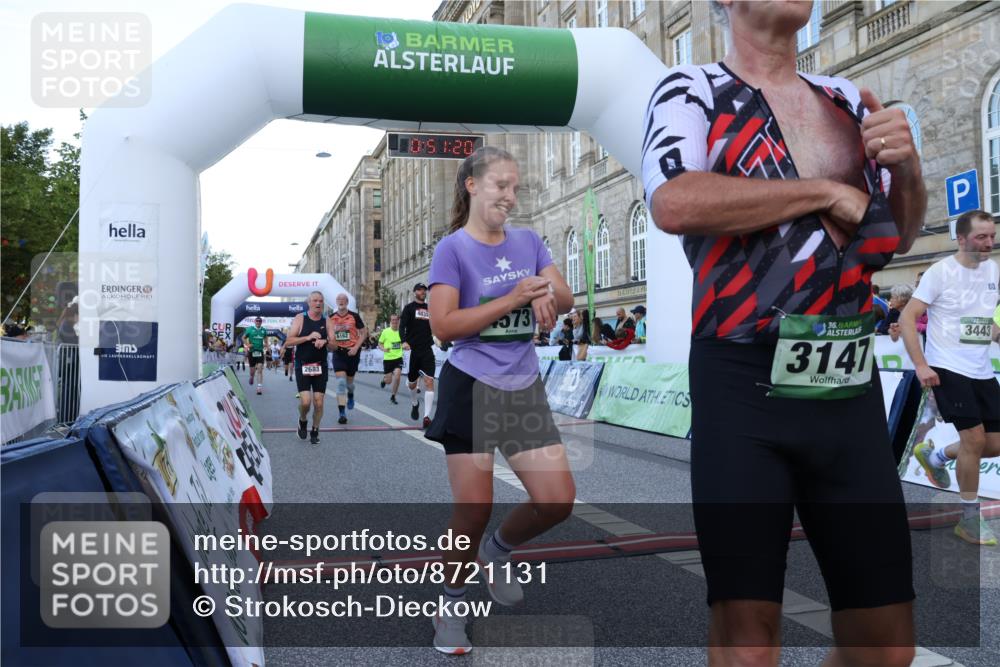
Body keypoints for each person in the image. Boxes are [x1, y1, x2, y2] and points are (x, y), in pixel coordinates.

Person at [642, 1, 927, 663]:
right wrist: (822, 191)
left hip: (846, 381)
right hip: (742, 381)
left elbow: (894, 236)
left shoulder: (847, 99)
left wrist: (908, 172)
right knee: (747, 643)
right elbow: (676, 201)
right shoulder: (693, 89)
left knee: (888, 646)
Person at [424, 146, 576, 654]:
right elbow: (445, 327)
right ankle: (449, 607)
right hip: (470, 385)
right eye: (501, 186)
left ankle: (497, 551)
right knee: (473, 507)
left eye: (516, 187)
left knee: (556, 500)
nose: (511, 197)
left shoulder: (529, 241)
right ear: (472, 185)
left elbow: (566, 296)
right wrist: (513, 297)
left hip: (522, 387)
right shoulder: (452, 250)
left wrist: (543, 292)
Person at [902, 209, 1000, 545]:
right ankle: (969, 519)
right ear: (960, 239)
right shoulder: (939, 272)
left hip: (981, 369)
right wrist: (921, 365)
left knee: (996, 444)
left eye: (992, 236)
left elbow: (981, 321)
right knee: (973, 439)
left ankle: (936, 455)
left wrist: (998, 334)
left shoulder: (993, 269)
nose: (989, 244)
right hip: (947, 367)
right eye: (981, 237)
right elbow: (907, 317)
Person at [284, 291, 330, 445]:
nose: (318, 304)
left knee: (319, 402)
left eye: (321, 301)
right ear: (309, 302)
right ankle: (303, 420)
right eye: (315, 301)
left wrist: (325, 342)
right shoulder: (300, 318)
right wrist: (308, 337)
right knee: (305, 402)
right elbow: (289, 342)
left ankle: (315, 430)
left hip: (320, 366)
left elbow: (335, 345)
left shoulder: (327, 321)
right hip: (303, 364)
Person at [400, 282, 437, 429]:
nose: (423, 292)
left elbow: (436, 325)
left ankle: (427, 417)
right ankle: (415, 403)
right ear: (415, 292)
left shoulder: (430, 309)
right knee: (412, 384)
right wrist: (404, 341)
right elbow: (402, 326)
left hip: (427, 349)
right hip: (412, 349)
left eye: (424, 290)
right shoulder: (409, 308)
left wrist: (441, 338)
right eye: (420, 290)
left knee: (429, 382)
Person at [328, 293, 367, 425]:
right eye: (338, 299)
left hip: (352, 352)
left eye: (343, 300)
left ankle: (351, 394)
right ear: (336, 302)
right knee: (340, 384)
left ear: (347, 301)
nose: (341, 301)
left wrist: (356, 347)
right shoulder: (331, 318)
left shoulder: (354, 316)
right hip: (339, 353)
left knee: (349, 384)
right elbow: (326, 333)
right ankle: (342, 413)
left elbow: (363, 333)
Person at [378, 314, 404, 404]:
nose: (394, 322)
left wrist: (406, 345)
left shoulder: (402, 332)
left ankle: (393, 396)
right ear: (390, 321)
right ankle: (384, 380)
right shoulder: (385, 332)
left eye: (396, 320)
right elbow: (380, 343)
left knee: (397, 376)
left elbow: (406, 342)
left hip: (398, 358)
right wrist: (383, 349)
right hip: (388, 359)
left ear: (398, 321)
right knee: (389, 381)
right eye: (392, 320)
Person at [243, 317, 267, 395]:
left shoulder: (263, 330)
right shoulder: (249, 329)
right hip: (252, 352)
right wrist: (247, 345)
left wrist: (267, 346)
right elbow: (243, 338)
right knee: (252, 371)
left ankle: (259, 388)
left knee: (260, 369)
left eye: (260, 321)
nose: (258, 322)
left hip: (260, 352)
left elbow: (266, 340)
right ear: (254, 321)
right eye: (257, 321)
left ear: (261, 322)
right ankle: (252, 377)